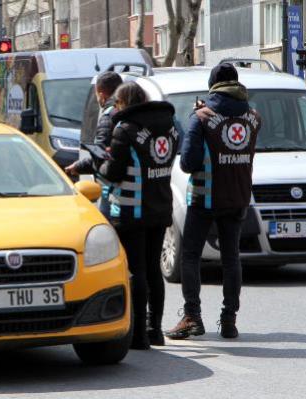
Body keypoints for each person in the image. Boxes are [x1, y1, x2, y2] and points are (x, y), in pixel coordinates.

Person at [165, 63, 261, 340]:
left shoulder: (202, 116)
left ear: (212, 84)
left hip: (205, 198)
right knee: (231, 258)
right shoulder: (254, 117)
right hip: (239, 196)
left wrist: (198, 117)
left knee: (191, 255)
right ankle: (229, 320)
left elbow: (187, 163)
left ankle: (192, 317)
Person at [99, 82, 178, 349]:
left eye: (117, 104)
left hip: (132, 210)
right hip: (160, 206)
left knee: (137, 271)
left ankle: (138, 336)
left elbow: (114, 172)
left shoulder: (125, 130)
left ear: (123, 104)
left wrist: (99, 163)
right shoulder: (169, 127)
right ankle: (155, 330)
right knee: (154, 269)